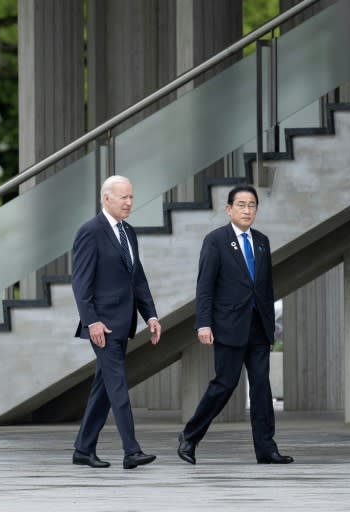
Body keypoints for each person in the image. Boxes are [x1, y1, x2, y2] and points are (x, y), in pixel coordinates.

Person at [177, 184, 293, 465]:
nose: (246, 210)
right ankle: (189, 438)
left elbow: (265, 287)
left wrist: (270, 325)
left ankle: (266, 449)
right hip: (229, 326)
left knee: (261, 388)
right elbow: (205, 287)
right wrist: (203, 324)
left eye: (251, 205)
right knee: (225, 384)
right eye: (240, 204)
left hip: (258, 327)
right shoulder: (216, 240)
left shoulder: (263, 241)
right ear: (228, 209)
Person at [71, 175, 162, 470]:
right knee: (118, 384)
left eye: (131, 197)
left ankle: (83, 449)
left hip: (124, 323)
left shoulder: (129, 232)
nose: (129, 202)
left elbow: (138, 278)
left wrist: (150, 315)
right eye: (123, 197)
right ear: (106, 199)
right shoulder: (90, 232)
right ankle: (131, 450)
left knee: (104, 387)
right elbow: (81, 284)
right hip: (103, 326)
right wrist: (92, 322)